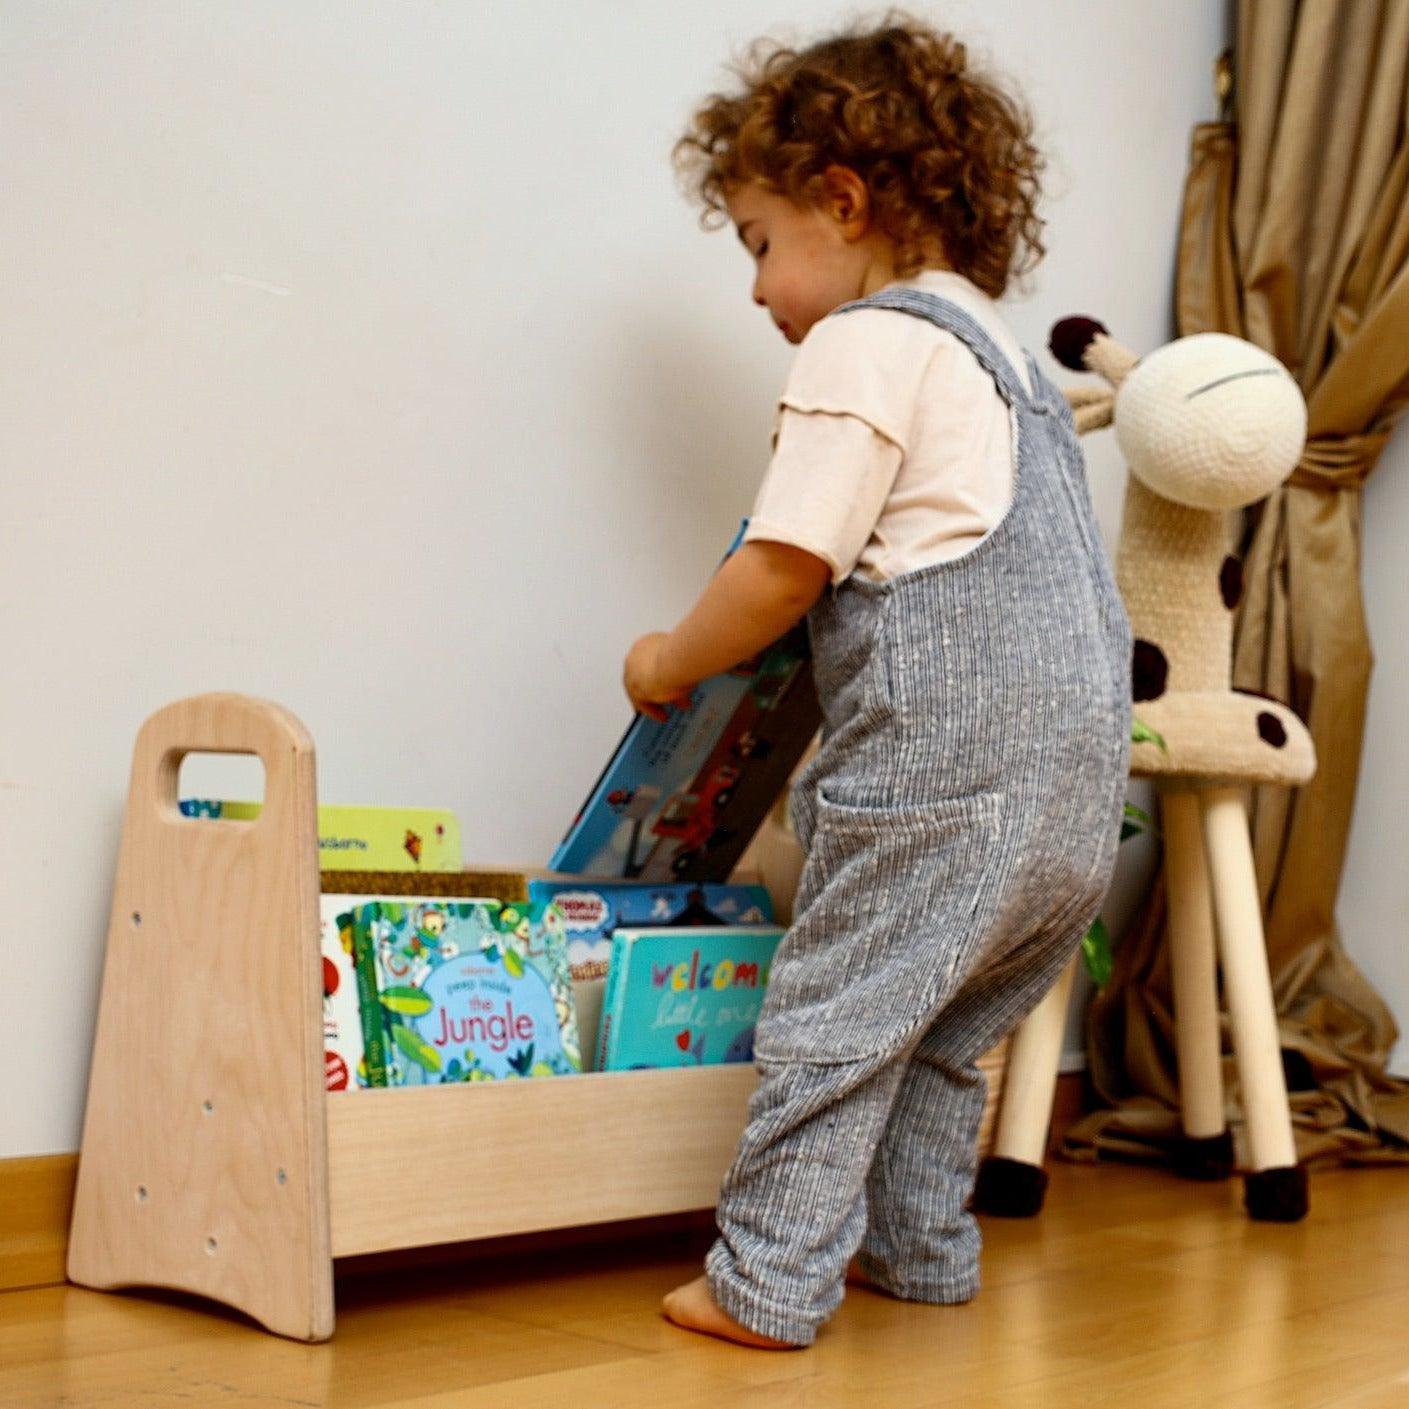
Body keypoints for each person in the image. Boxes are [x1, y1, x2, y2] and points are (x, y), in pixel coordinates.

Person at [622, 13, 1132, 1349]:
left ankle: (767, 1282)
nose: (753, 290)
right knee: (942, 1041)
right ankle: (920, 1251)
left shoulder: (862, 342)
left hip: (944, 784)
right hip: (1077, 796)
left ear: (840, 204)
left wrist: (668, 658)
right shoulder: (1010, 363)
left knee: (838, 1018)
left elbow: (784, 562)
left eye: (758, 242)